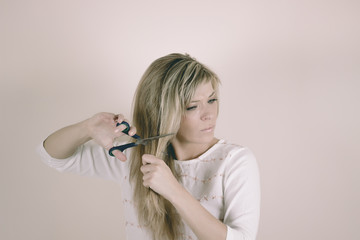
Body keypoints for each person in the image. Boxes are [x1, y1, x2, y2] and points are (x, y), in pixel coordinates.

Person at [37, 53, 260, 240]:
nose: (209, 114)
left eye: (212, 100)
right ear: (163, 112)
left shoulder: (235, 161)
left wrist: (174, 191)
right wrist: (87, 128)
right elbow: (52, 155)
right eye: (193, 106)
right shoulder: (133, 158)